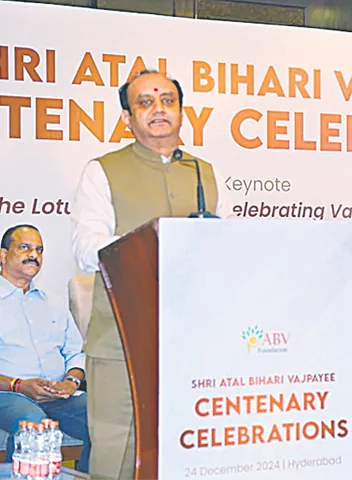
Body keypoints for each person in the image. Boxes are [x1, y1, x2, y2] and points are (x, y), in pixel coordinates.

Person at [71, 70, 231, 478]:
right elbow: (87, 249)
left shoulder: (203, 172)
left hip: (192, 342)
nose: (158, 109)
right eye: (145, 102)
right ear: (127, 117)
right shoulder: (102, 170)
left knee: (187, 454)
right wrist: (154, 242)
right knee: (116, 455)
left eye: (167, 100)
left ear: (181, 111)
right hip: (121, 340)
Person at [0, 225, 90, 472]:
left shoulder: (53, 303)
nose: (34, 255)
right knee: (35, 426)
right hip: (8, 394)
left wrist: (71, 381)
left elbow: (76, 352)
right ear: (3, 255)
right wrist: (19, 384)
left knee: (106, 421)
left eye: (39, 249)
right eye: (25, 247)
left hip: (57, 394)